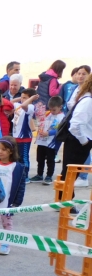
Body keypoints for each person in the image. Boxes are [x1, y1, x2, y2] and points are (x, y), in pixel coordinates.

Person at [61, 73, 92, 210]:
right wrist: (84, 141)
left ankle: (64, 202)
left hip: (78, 140)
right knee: (70, 174)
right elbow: (75, 125)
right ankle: (66, 204)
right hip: (78, 142)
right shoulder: (88, 101)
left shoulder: (86, 99)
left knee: (69, 174)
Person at [30, 96, 64, 184]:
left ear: (60, 107)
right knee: (39, 158)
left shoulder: (61, 117)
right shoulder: (48, 113)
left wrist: (49, 133)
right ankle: (39, 174)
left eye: (54, 110)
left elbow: (60, 130)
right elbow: (41, 122)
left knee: (50, 159)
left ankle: (49, 176)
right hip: (42, 140)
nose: (52, 112)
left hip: (52, 142)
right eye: (51, 109)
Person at [11, 88, 39, 182]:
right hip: (16, 136)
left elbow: (24, 105)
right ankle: (19, 174)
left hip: (25, 137)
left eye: (25, 98)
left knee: (24, 157)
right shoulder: (18, 105)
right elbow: (10, 102)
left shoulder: (30, 107)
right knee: (17, 157)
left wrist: (30, 99)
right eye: (22, 97)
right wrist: (21, 97)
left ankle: (25, 176)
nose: (23, 99)